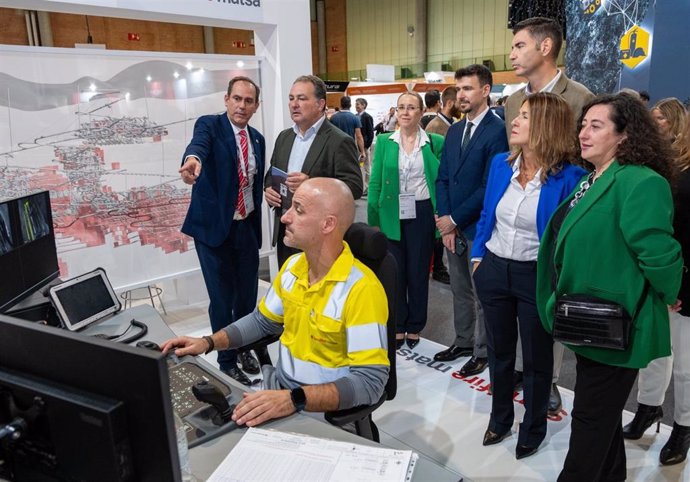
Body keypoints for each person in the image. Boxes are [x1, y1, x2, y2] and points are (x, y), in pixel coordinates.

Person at [536, 93, 683, 481]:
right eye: (583, 124)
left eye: (596, 126)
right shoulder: (593, 178)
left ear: (624, 135)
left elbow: (659, 252)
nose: (583, 132)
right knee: (600, 418)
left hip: (617, 325)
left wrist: (673, 292)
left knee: (589, 421)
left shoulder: (640, 181)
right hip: (587, 321)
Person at [162, 178, 389, 427]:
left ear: (328, 224)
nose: (285, 217)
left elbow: (370, 383)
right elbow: (261, 322)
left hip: (322, 412)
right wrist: (207, 342)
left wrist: (293, 400)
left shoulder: (361, 290)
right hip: (281, 391)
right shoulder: (293, 267)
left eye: (298, 210)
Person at [471, 93, 586, 459]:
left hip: (536, 277)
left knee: (537, 362)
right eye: (516, 115)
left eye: (524, 116)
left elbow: (572, 239)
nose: (514, 122)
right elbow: (488, 215)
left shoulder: (571, 178)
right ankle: (500, 418)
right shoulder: (500, 165)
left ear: (547, 127)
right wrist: (477, 258)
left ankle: (533, 427)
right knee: (499, 353)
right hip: (494, 270)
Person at [505, 15, 594, 413]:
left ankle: (550, 378)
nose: (512, 53)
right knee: (517, 298)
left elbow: (591, 163)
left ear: (545, 47)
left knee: (550, 301)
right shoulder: (511, 101)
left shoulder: (580, 98)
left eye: (519, 45)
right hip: (518, 212)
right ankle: (521, 370)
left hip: (562, 216)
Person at [178, 76, 267, 386]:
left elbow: (254, 182)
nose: (242, 105)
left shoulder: (257, 138)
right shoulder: (210, 126)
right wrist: (192, 160)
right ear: (226, 99)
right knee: (221, 298)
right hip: (214, 231)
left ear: (256, 106)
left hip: (246, 226)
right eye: (237, 99)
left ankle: (242, 346)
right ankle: (225, 359)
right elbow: (197, 146)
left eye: (248, 101)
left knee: (247, 295)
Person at [622, 108, 690, 466]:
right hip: (655, 278)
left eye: (662, 117)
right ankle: (648, 409)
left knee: (685, 365)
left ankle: (684, 426)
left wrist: (680, 284)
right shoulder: (656, 167)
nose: (655, 121)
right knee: (653, 355)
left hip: (684, 283)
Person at [433, 64, 509, 379]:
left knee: (481, 295)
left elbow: (488, 186)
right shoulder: (453, 130)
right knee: (460, 289)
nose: (461, 95)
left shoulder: (498, 130)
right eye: (459, 88)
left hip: (480, 227)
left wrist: (453, 219)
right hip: (453, 227)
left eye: (468, 88)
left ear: (486, 90)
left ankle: (482, 352)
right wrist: (443, 220)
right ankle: (463, 341)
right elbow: (443, 177)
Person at [368, 91, 444, 349]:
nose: (405, 112)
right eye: (401, 107)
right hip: (391, 211)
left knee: (419, 271)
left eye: (411, 107)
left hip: (422, 212)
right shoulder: (384, 141)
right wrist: (373, 219)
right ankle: (398, 324)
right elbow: (375, 181)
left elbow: (440, 181)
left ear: (421, 112)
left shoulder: (434, 142)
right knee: (395, 272)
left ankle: (415, 325)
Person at [264, 75, 363, 266]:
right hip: (286, 231)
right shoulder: (284, 138)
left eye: (302, 98)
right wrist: (268, 189)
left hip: (319, 237)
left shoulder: (338, 141)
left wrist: (312, 185)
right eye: (291, 98)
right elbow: (271, 174)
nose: (294, 104)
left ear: (320, 104)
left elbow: (354, 187)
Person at [426, 85, 459, 286]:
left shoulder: (451, 125)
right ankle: (437, 267)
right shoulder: (435, 127)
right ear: (449, 103)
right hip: (438, 189)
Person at [329, 96, 367, 162]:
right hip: (350, 148)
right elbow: (359, 136)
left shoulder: (333, 117)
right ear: (350, 105)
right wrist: (362, 152)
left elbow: (330, 134)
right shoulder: (355, 118)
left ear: (340, 104)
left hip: (336, 148)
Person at [355, 98, 375, 191]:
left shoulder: (367, 117)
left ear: (363, 105)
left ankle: (367, 187)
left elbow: (370, 133)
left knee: (366, 166)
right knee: (359, 166)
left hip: (364, 146)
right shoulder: (355, 116)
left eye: (358, 104)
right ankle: (361, 185)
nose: (356, 106)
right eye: (356, 104)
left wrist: (366, 146)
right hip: (356, 146)